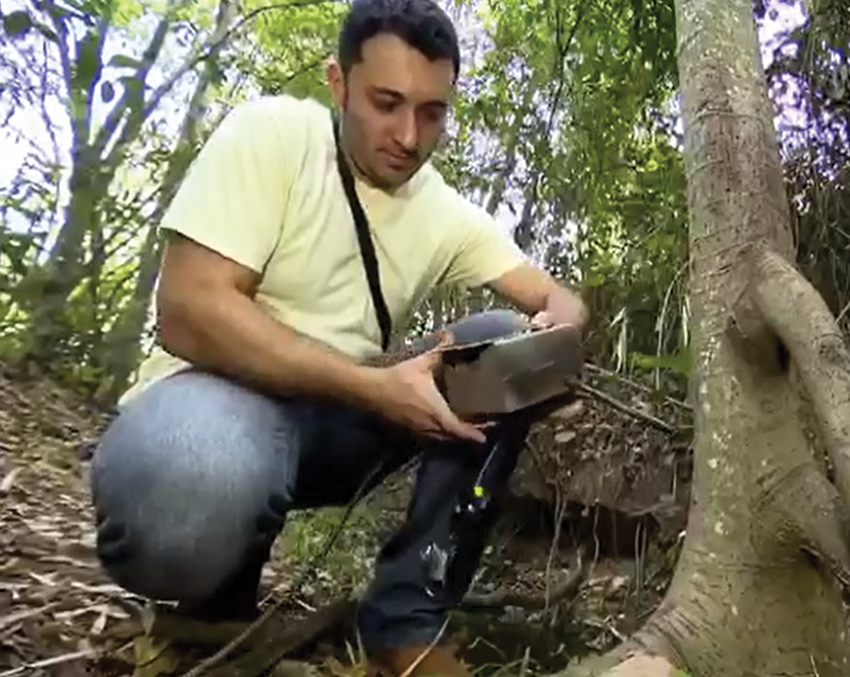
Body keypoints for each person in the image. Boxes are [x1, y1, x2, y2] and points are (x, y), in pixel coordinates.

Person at [86, 0, 588, 674]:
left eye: (432, 113)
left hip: (338, 429)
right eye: (386, 103)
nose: (408, 136)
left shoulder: (440, 209)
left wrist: (557, 329)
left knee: (501, 342)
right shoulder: (274, 135)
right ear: (338, 82)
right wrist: (373, 386)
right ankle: (214, 598)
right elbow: (187, 308)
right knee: (194, 486)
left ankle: (407, 618)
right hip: (212, 407)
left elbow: (556, 296)